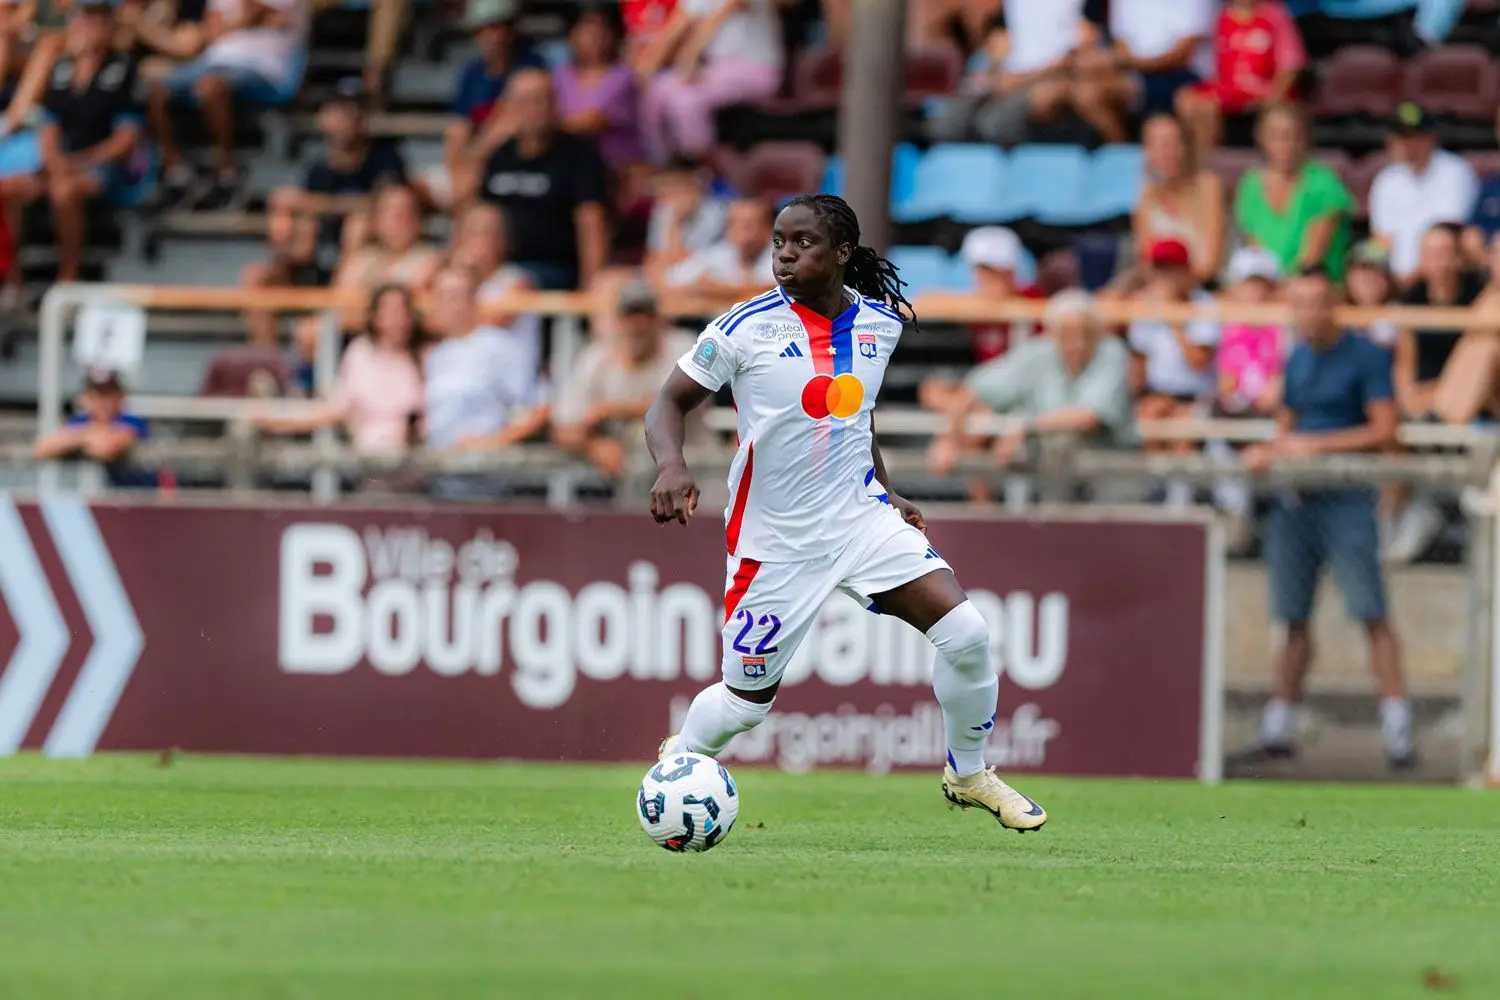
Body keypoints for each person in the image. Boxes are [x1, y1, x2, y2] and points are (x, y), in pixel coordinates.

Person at [644, 193, 1048, 831]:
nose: (784, 253)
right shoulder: (744, 327)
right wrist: (671, 465)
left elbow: (854, 418)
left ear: (841, 254)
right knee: (747, 703)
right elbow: (667, 402)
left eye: (801, 242)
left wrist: (886, 490)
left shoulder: (877, 324)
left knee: (967, 633)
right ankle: (683, 759)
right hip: (773, 544)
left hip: (860, 521)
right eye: (779, 241)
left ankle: (968, 773)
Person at [1234, 266, 1411, 771]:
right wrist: (1273, 449)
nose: (1307, 313)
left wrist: (1313, 445)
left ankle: (1398, 725)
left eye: (1315, 302)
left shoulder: (1366, 355)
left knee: (1371, 612)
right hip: (1297, 501)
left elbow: (1384, 428)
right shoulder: (1298, 359)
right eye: (1299, 304)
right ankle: (1279, 724)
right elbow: (1288, 423)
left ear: (1333, 303)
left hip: (1348, 500)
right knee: (1291, 618)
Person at [0, 0, 142, 291]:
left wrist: (78, 163)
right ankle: (12, 283)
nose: (93, 28)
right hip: (61, 162)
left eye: (101, 20)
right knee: (9, 187)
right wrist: (54, 163)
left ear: (112, 26)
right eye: (87, 20)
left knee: (64, 191)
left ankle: (69, 277)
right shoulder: (62, 68)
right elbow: (48, 127)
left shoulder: (125, 69)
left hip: (104, 166)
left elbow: (126, 140)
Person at [928, 288, 1135, 479]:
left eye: (1084, 333)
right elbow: (973, 390)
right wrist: (947, 439)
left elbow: (1089, 417)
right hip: (1052, 476)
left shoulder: (1112, 353)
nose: (1077, 343)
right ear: (1052, 334)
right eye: (1068, 334)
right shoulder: (1038, 353)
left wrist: (1025, 428)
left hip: (1109, 470)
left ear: (1097, 334)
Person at [148, 0, 310, 210]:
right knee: (157, 91)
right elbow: (211, 32)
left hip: (266, 68)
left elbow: (268, 16)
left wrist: (236, 22)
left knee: (210, 87)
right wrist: (254, 19)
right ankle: (176, 173)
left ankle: (227, 172)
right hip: (212, 63)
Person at [471, 68, 610, 291]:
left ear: (555, 104)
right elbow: (471, 208)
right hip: (497, 266)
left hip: (553, 269)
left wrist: (590, 289)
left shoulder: (579, 154)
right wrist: (488, 140)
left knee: (509, 284)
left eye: (541, 99)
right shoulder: (500, 154)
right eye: (524, 101)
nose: (534, 109)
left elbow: (591, 223)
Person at [254, 284, 425, 457]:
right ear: (376, 317)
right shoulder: (361, 353)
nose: (397, 319)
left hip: (417, 462)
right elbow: (336, 408)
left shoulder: (422, 357)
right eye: (390, 311)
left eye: (403, 310)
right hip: (372, 462)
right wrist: (282, 424)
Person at [554, 280, 695, 480]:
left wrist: (607, 410)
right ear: (618, 321)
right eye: (631, 316)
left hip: (694, 478)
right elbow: (563, 427)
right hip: (626, 488)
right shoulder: (596, 358)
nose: (639, 325)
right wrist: (593, 446)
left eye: (647, 315)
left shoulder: (683, 347)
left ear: (659, 319)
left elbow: (671, 405)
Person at [637, 0, 783, 163]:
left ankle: (702, 169)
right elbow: (673, 31)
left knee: (686, 99)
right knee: (656, 90)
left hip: (758, 70)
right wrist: (645, 68)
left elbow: (725, 11)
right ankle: (661, 165)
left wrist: (689, 56)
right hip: (717, 70)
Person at [1234, 103, 1355, 282]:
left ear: (1304, 139)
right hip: (1268, 286)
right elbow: (1258, 252)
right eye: (1276, 135)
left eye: (1292, 136)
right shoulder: (1250, 185)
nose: (1285, 144)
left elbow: (1312, 258)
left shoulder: (1324, 183)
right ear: (1261, 138)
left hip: (1314, 282)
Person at [1174, 0, 1305, 157]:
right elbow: (1213, 66)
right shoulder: (1221, 16)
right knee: (1188, 100)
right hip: (1229, 90)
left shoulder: (1275, 14)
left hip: (1263, 90)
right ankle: (1205, 162)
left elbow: (1290, 65)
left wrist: (1272, 96)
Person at [1369, 103, 1480, 285]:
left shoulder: (1454, 171)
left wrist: (1410, 280)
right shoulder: (1386, 180)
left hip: (1441, 278)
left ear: (1430, 138)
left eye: (1410, 137)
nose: (1402, 144)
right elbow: (1381, 241)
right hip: (1396, 282)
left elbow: (1447, 236)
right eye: (1398, 137)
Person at [1133, 112, 1224, 285]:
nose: (1166, 152)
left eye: (1172, 143)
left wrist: (1174, 285)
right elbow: (1146, 262)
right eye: (1157, 145)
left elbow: (1208, 266)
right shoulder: (1145, 195)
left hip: (1204, 287)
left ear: (1186, 147)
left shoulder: (1208, 186)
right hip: (1159, 288)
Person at [33, 368, 151, 487]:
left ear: (120, 397)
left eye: (108, 394)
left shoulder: (133, 421)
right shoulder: (78, 421)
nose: (101, 401)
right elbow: (42, 448)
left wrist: (75, 440)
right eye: (95, 394)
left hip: (127, 494)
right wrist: (87, 437)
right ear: (85, 398)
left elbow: (108, 449)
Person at [661, 195, 773, 295]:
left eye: (747, 225)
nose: (739, 231)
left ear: (768, 229)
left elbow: (771, 293)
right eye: (733, 224)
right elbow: (671, 281)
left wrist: (715, 289)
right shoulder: (719, 253)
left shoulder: (784, 255)